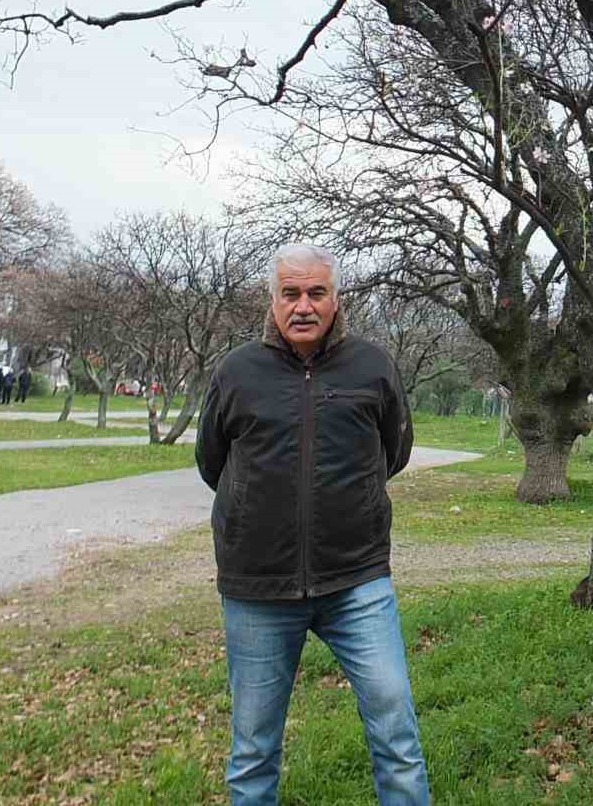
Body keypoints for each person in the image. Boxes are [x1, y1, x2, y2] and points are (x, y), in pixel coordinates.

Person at [196, 243, 428, 805]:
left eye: (316, 293)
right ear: (272, 301)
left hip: (357, 582)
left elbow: (393, 451)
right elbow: (212, 462)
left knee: (396, 732)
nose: (304, 306)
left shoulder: (372, 366)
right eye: (291, 293)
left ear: (335, 299)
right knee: (252, 751)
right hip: (258, 587)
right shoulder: (236, 371)